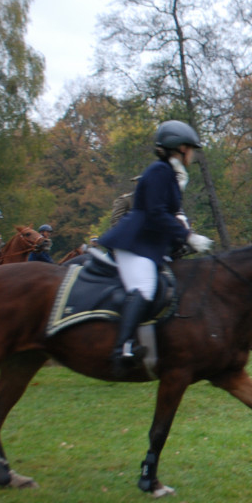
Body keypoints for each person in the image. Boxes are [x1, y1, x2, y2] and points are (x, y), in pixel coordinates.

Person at [98, 120, 213, 376]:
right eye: (191, 149)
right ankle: (123, 347)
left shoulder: (168, 174)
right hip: (135, 243)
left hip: (149, 244)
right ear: (179, 148)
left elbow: (168, 211)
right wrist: (187, 237)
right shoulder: (160, 172)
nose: (193, 155)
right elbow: (156, 213)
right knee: (145, 288)